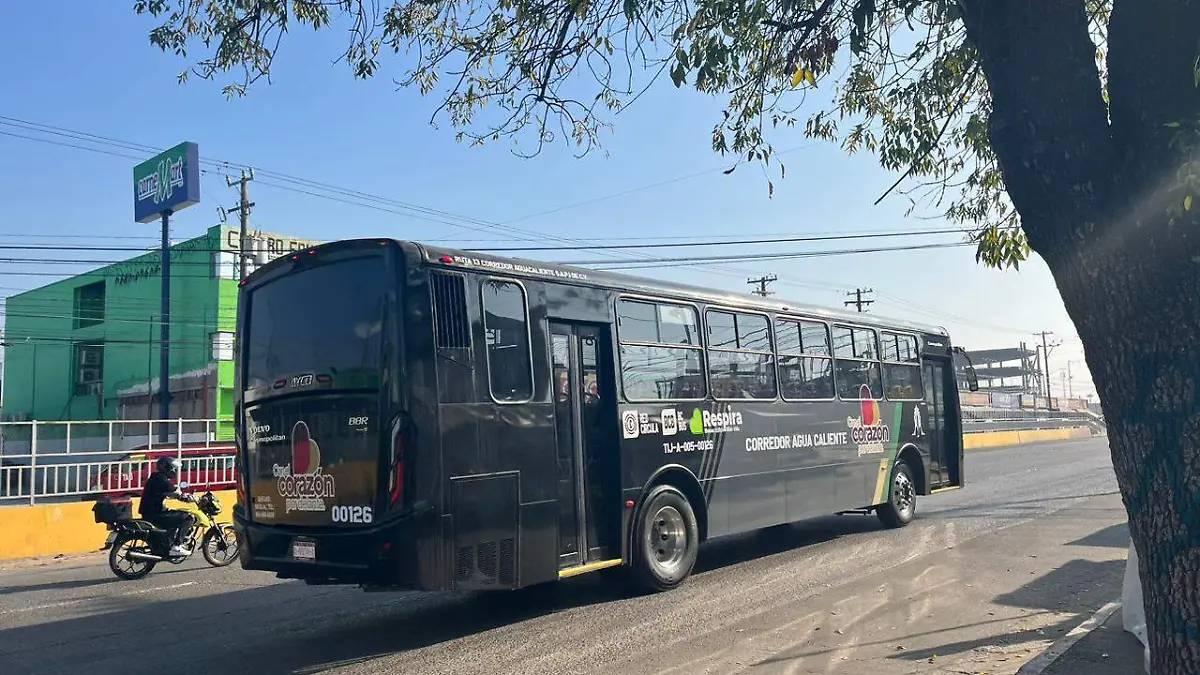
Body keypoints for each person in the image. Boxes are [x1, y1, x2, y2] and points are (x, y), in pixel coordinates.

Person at [140, 456, 196, 557]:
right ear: (168, 468)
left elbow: (169, 494)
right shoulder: (162, 481)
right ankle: (176, 546)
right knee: (188, 517)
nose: (175, 471)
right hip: (154, 515)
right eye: (174, 468)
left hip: (150, 513)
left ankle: (168, 543)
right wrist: (193, 498)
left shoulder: (156, 478)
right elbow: (177, 494)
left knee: (175, 514)